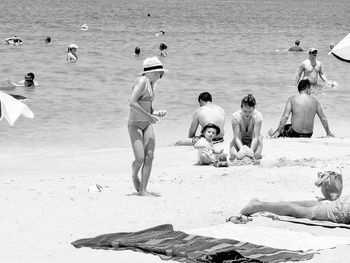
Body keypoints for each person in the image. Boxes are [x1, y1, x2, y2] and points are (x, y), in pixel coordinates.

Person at [128, 56, 167, 196]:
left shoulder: (151, 84)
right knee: (139, 159)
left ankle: (143, 190)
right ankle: (134, 175)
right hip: (135, 125)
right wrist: (149, 116)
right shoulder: (142, 81)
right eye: (160, 73)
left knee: (149, 156)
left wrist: (156, 112)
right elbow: (132, 102)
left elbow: (148, 108)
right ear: (153, 72)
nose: (161, 76)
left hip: (147, 124)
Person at [270, 79, 334, 138]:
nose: (311, 91)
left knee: (283, 128)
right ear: (307, 89)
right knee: (286, 127)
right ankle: (273, 132)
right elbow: (323, 118)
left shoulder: (292, 99)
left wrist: (278, 131)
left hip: (295, 133)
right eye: (310, 89)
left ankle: (273, 133)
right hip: (309, 134)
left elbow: (285, 116)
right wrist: (328, 132)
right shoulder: (315, 101)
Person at [240, 195, 350, 224]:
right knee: (305, 212)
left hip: (346, 202)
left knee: (320, 206)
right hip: (344, 210)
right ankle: (258, 206)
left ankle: (275, 204)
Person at [229, 94, 263, 160]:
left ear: (254, 108)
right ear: (241, 108)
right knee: (233, 156)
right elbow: (237, 137)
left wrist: (251, 151)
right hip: (240, 139)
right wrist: (242, 150)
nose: (247, 114)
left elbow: (255, 137)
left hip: (253, 139)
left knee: (256, 155)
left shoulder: (258, 116)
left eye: (250, 111)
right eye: (245, 111)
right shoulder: (235, 117)